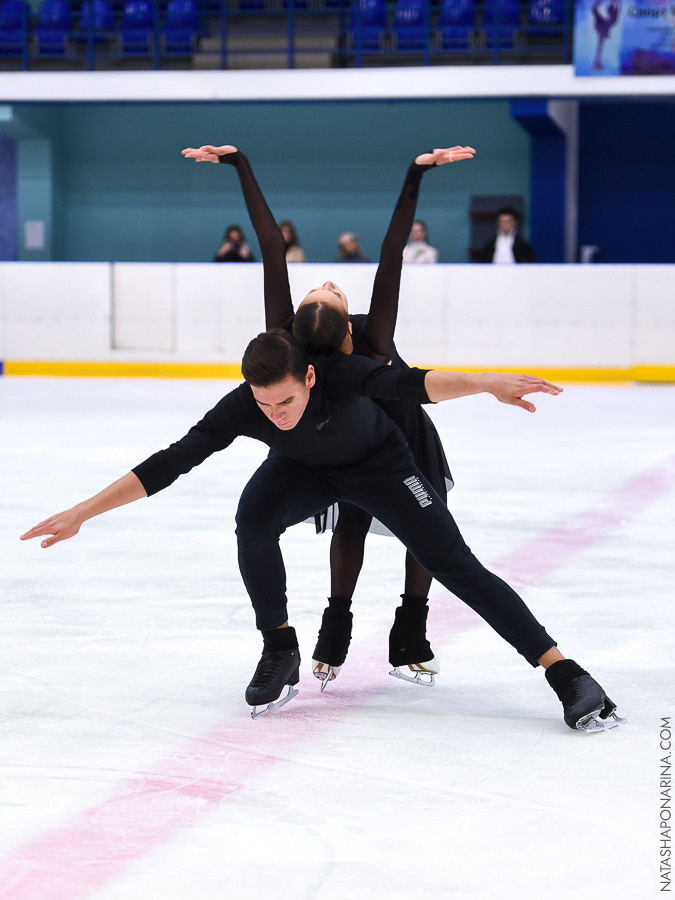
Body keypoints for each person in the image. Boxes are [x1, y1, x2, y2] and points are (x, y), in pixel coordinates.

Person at [21, 330, 624, 734]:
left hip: (382, 468)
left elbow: (417, 384)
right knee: (252, 521)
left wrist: (487, 381)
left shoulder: (342, 374)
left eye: (283, 402)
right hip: (303, 473)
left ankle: (564, 672)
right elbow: (173, 460)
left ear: (309, 377)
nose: (274, 414)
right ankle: (280, 647)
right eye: (264, 406)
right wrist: (84, 510)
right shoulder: (247, 405)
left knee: (454, 562)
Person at [181, 142, 474, 688]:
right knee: (359, 520)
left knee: (414, 528)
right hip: (357, 435)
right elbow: (390, 256)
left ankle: (400, 631)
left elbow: (272, 248)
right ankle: (352, 632)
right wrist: (414, 176)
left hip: (399, 432)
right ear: (342, 320)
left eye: (325, 287)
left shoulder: (291, 332)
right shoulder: (369, 335)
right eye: (327, 290)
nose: (328, 283)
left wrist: (241, 163)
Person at [592, 0, 621, 71]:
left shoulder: (611, 20)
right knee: (600, 44)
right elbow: (595, 10)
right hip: (603, 26)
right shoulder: (611, 20)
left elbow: (595, 10)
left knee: (600, 44)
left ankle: (597, 62)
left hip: (603, 27)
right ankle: (597, 62)